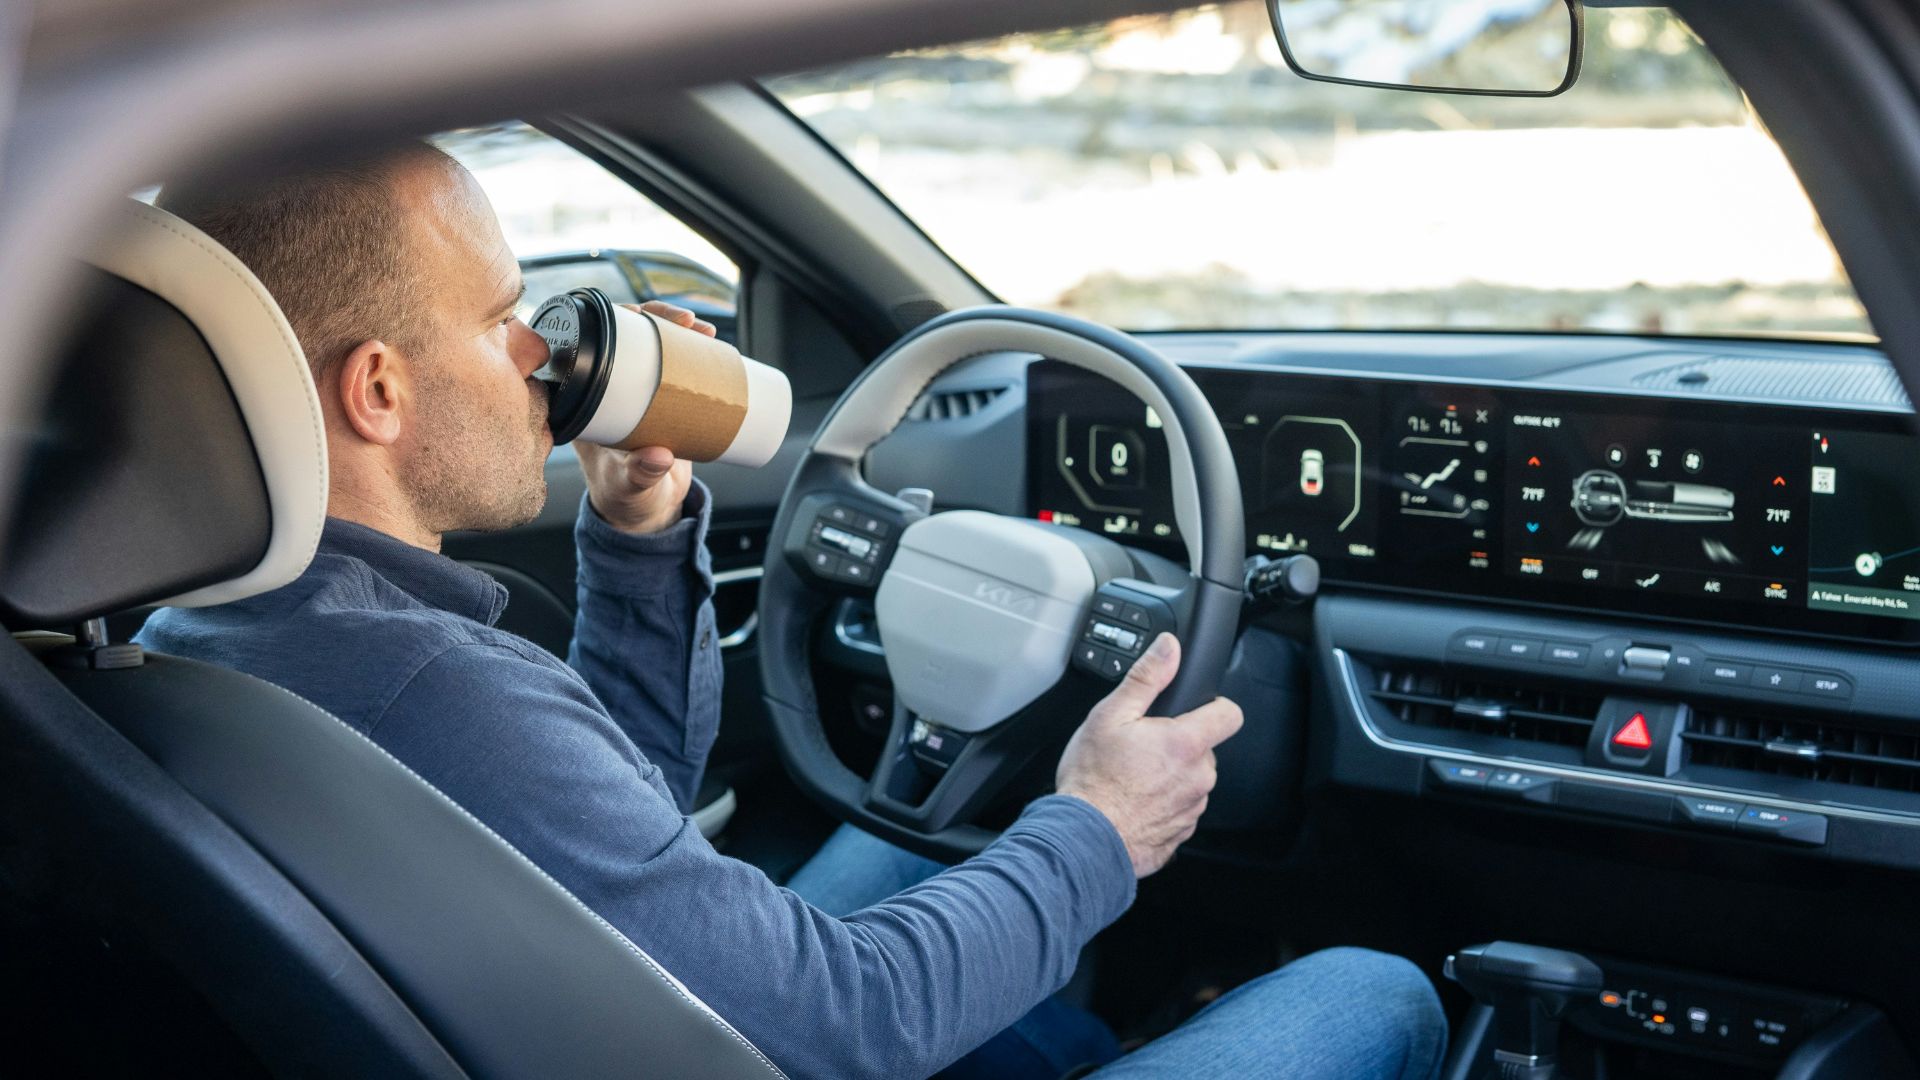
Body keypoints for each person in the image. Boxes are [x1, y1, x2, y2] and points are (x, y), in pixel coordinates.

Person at [138, 142, 1446, 1080]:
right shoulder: (437, 691)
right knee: (1373, 991)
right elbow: (846, 1025)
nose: (541, 354)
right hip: (796, 1040)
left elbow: (609, 816)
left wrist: (641, 524)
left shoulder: (197, 635)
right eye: (497, 318)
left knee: (938, 848)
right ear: (376, 390)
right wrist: (1104, 826)